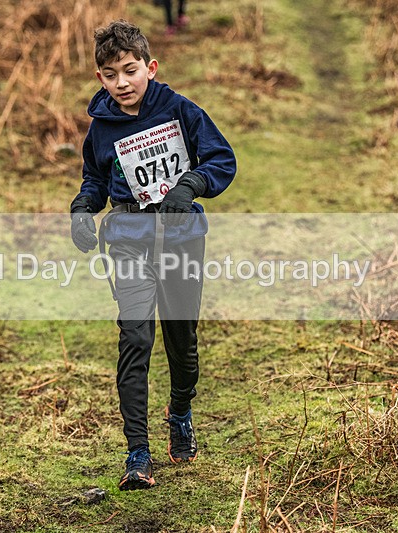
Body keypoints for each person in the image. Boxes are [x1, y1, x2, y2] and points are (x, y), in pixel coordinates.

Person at [69, 20, 236, 491]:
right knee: (135, 337)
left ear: (150, 67)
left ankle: (180, 410)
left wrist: (191, 185)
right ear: (99, 77)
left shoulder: (180, 111)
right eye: (109, 74)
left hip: (181, 238)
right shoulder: (101, 126)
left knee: (181, 341)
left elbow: (222, 159)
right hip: (126, 238)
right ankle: (137, 452)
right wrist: (83, 210)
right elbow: (95, 179)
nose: (121, 82)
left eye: (129, 70)